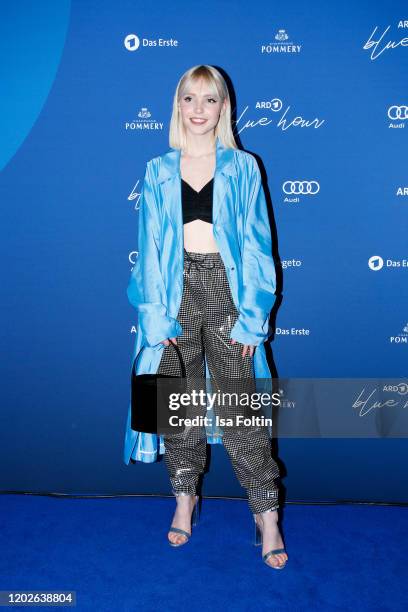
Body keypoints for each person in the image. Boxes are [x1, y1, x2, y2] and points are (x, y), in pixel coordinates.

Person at [126, 65, 288, 569]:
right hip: (172, 295)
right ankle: (184, 498)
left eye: (209, 100)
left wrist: (252, 317)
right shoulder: (157, 169)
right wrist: (155, 315)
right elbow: (148, 250)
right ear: (178, 106)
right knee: (179, 408)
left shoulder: (243, 166)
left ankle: (267, 515)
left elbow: (260, 249)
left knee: (239, 412)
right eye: (190, 99)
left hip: (226, 291)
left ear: (223, 108)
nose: (199, 109)